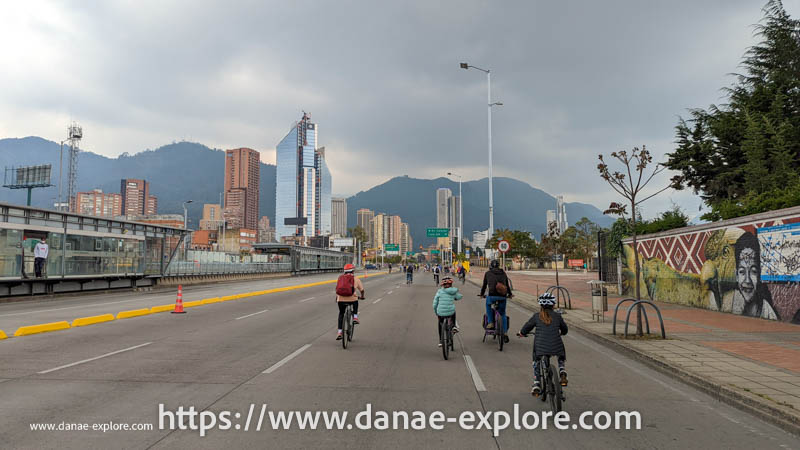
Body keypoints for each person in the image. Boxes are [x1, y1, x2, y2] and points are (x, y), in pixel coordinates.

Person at [518, 293, 568, 396]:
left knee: (536, 359)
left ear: (541, 305)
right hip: (556, 346)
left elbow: (526, 327)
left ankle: (536, 383)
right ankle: (562, 370)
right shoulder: (557, 316)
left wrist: (522, 333)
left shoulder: (537, 316)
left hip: (540, 347)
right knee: (560, 352)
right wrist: (562, 332)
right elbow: (565, 329)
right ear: (553, 305)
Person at [479, 259, 512, 338]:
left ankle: (491, 322)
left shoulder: (487, 273)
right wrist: (510, 294)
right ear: (498, 266)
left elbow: (484, 286)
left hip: (492, 296)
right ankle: (505, 332)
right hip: (502, 297)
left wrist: (481, 294)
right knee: (502, 314)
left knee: (488, 305)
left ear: (490, 266)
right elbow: (507, 285)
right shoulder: (503, 273)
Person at [335, 264, 365, 340]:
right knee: (356, 301)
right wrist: (362, 296)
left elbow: (338, 289)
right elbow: (362, 290)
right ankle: (355, 318)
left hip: (341, 299)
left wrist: (337, 298)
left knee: (341, 313)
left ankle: (339, 333)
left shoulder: (340, 278)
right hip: (352, 299)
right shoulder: (356, 279)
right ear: (353, 271)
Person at [433, 275, 462, 346]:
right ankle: (454, 326)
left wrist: (436, 311)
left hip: (440, 312)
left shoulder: (439, 291)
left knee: (440, 324)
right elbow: (459, 297)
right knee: (453, 312)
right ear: (451, 284)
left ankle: (440, 341)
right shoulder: (453, 291)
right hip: (450, 312)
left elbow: (435, 303)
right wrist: (457, 296)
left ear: (442, 284)